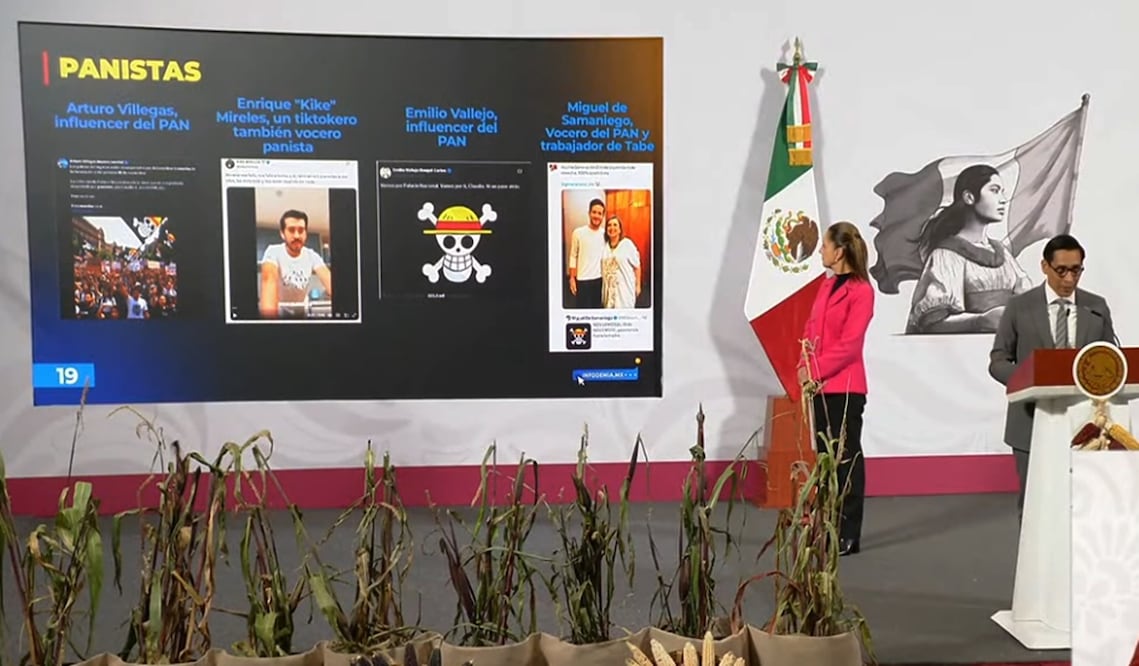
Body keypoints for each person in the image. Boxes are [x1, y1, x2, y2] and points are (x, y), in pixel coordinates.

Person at [988, 234, 1116, 519]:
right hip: (1030, 422)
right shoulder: (1019, 307)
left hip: (1085, 422)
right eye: (1062, 270)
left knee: (1085, 505)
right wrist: (1029, 377)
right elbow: (998, 360)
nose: (1069, 279)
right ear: (1044, 266)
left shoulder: (1096, 307)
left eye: (1076, 270)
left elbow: (1111, 359)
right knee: (1034, 507)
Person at [797, 221, 875, 556]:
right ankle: (825, 526)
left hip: (845, 388)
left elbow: (849, 345)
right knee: (824, 460)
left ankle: (848, 532)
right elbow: (811, 331)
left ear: (839, 251)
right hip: (819, 387)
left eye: (826, 245)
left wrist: (814, 370)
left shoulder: (861, 291)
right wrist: (803, 366)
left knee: (846, 460)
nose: (821, 251)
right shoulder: (825, 287)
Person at [906, 164, 1034, 334]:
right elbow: (933, 322)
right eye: (994, 191)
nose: (1003, 199)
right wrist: (981, 321)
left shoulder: (1002, 253)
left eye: (1002, 192)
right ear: (969, 197)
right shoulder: (947, 255)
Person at [259, 209, 333, 319]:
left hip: (302, 313)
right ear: (282, 233)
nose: (297, 235)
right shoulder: (273, 252)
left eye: (301, 230)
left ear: (306, 233)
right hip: (279, 312)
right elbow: (269, 280)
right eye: (291, 230)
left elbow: (329, 280)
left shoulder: (312, 256)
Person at [568, 198, 606, 308]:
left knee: (597, 311)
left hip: (600, 280)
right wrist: (572, 278)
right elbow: (573, 256)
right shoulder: (578, 232)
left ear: (603, 216)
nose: (596, 216)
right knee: (582, 311)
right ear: (589, 213)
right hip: (582, 280)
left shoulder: (605, 234)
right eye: (594, 212)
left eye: (599, 213)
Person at [601, 215, 642, 308]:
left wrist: (638, 285)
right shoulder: (605, 247)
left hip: (624, 290)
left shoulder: (627, 244)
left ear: (620, 230)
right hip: (609, 291)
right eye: (609, 225)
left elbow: (637, 266)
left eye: (615, 225)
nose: (612, 228)